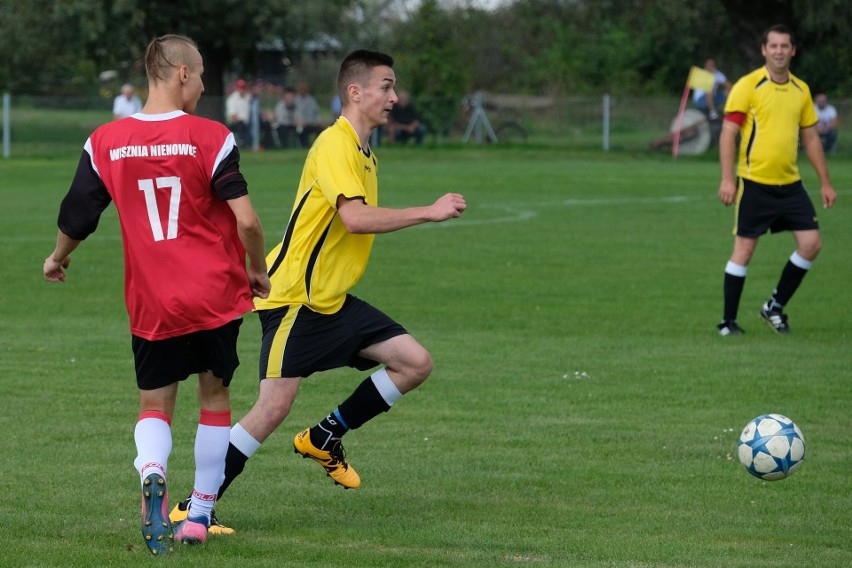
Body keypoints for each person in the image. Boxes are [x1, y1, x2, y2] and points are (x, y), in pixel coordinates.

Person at [169, 49, 466, 530]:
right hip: (294, 299)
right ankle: (194, 507)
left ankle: (326, 436)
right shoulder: (334, 144)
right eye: (386, 86)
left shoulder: (365, 153)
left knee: (414, 362)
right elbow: (355, 218)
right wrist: (427, 212)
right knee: (272, 407)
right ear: (355, 92)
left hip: (331, 300)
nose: (394, 96)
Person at [42, 34, 270, 554]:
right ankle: (200, 514)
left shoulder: (105, 141)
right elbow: (249, 221)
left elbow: (77, 216)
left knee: (154, 404)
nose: (205, 83)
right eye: (203, 73)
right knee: (214, 398)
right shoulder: (210, 137)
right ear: (182, 74)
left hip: (153, 301)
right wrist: (257, 270)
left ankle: (152, 471)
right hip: (214, 294)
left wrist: (59, 256)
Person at [716, 24, 836, 336]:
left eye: (785, 46)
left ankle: (774, 307)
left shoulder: (801, 90)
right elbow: (729, 133)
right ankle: (728, 323)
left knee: (811, 244)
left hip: (791, 185)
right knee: (744, 251)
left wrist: (825, 181)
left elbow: (810, 138)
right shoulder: (748, 85)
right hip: (754, 183)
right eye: (774, 46)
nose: (779, 51)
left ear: (793, 50)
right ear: (764, 50)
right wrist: (728, 179)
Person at [294, 81, 326, 147]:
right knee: (300, 129)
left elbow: (316, 113)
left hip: (311, 122)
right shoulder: (295, 100)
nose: (302, 91)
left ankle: (319, 145)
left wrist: (320, 121)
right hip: (300, 123)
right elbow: (295, 113)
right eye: (301, 90)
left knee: (321, 128)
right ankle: (303, 145)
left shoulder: (312, 100)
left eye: (304, 89)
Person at [226, 78, 252, 146]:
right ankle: (241, 142)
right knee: (240, 124)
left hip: (247, 122)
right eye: (240, 87)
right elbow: (232, 116)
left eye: (243, 87)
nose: (242, 89)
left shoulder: (248, 97)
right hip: (236, 123)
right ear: (237, 88)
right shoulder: (232, 99)